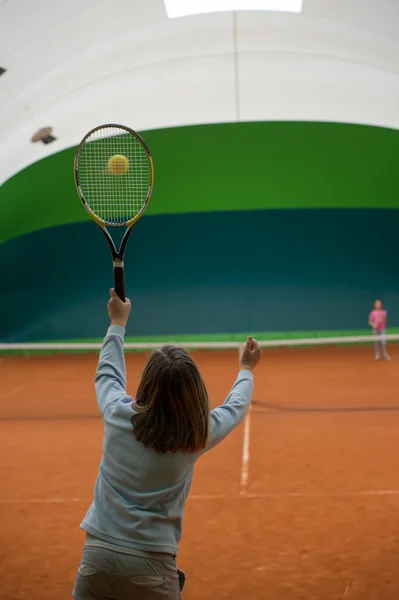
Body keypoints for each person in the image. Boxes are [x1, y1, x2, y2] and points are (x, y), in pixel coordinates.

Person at [73, 288, 262, 600]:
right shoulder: (195, 435)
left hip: (97, 559)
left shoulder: (117, 414)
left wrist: (118, 322)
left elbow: (107, 373)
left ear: (147, 382)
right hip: (153, 567)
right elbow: (234, 409)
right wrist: (246, 369)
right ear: (195, 392)